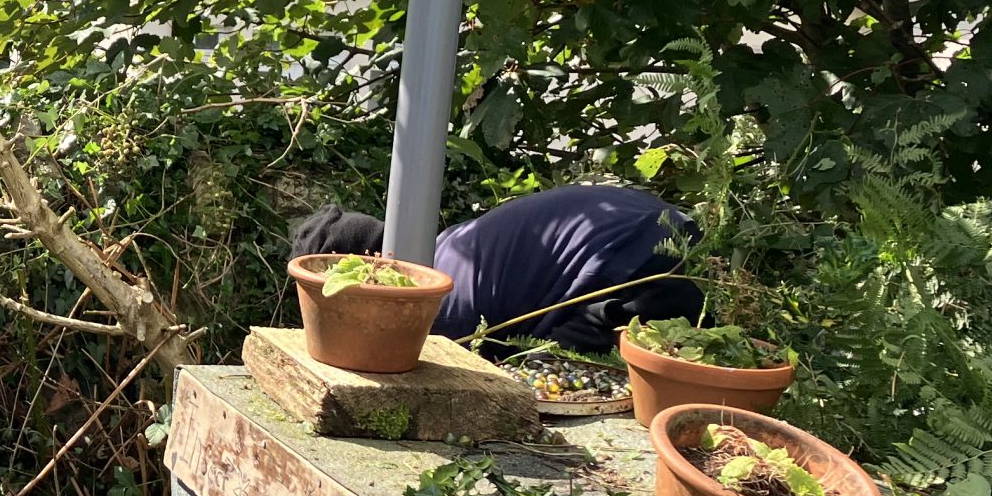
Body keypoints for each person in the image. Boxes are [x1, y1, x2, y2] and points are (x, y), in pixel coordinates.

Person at [289, 185, 700, 351]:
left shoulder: (433, 306)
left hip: (636, 262)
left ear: (371, 272)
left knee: (561, 376)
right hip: (671, 230)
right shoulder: (452, 246)